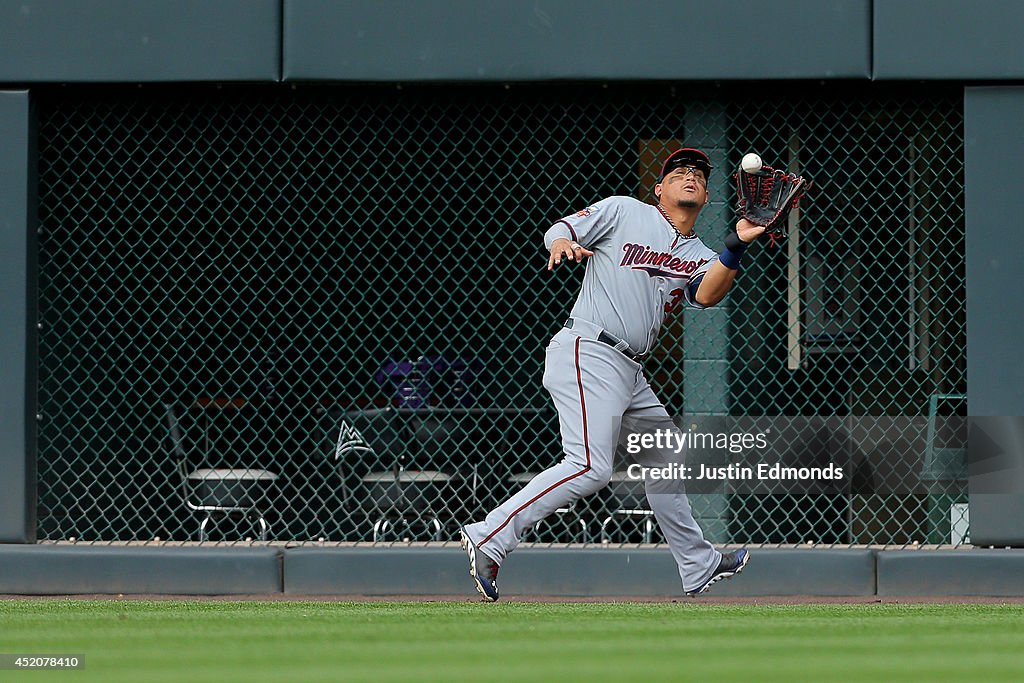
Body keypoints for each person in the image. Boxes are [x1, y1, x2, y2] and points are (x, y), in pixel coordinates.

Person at [460, 148, 761, 601]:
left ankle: (697, 564)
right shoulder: (625, 210)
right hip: (590, 349)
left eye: (698, 174)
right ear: (659, 190)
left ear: (706, 194)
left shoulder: (700, 253)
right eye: (679, 172)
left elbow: (708, 295)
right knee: (589, 467)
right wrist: (560, 243)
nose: (689, 176)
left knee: (664, 458)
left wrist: (735, 246)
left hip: (629, 369)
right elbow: (561, 228)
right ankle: (490, 534)